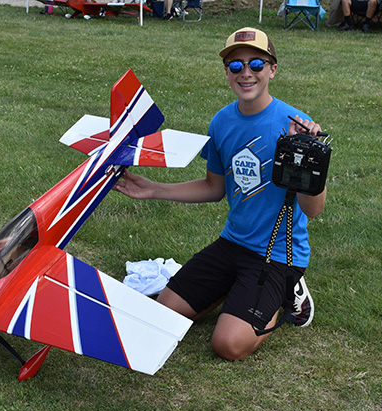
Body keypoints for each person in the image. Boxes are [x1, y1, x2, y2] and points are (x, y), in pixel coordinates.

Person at [113, 27, 326, 361]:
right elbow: (214, 188)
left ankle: (288, 293)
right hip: (232, 244)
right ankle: (237, 291)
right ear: (226, 72)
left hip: (277, 256)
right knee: (164, 312)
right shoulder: (222, 122)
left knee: (227, 345)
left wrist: (309, 158)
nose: (246, 73)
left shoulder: (294, 125)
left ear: (272, 70)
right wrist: (154, 189)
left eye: (257, 63)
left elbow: (312, 210)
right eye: (235, 65)